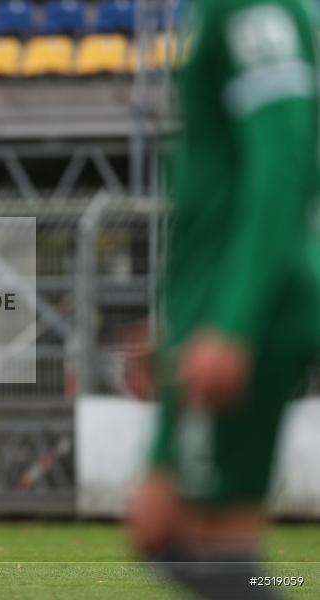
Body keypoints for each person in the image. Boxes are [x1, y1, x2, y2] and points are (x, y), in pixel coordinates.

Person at [125, 0, 320, 598]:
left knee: (205, 544)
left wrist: (232, 324)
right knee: (176, 538)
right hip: (217, 310)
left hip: (251, 310)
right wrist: (182, 324)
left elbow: (280, 167)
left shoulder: (253, 10)